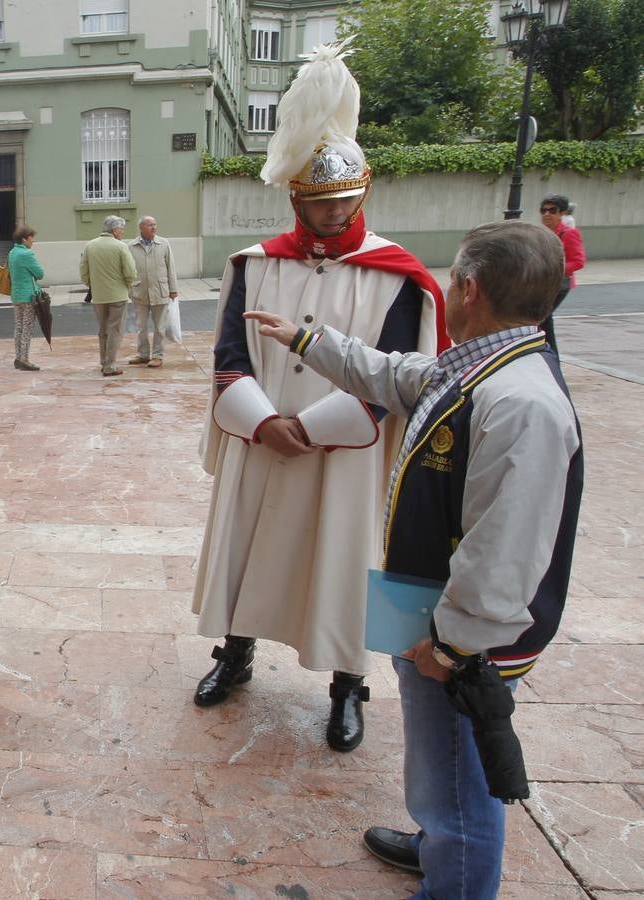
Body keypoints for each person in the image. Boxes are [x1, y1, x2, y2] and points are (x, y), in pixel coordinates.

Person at [246, 218, 583, 900]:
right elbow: (397, 376)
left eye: (452, 278)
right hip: (437, 619)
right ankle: (439, 843)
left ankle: (453, 876)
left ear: (470, 287)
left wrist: (455, 646)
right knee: (443, 767)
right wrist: (309, 341)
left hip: (464, 643)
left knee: (460, 775)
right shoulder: (487, 367)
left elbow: (505, 553)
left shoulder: (521, 404)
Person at [191, 44, 447, 752]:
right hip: (259, 437)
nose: (333, 215)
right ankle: (235, 656)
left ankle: (346, 686)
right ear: (294, 197)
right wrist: (265, 421)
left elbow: (398, 374)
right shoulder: (254, 264)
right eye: (318, 202)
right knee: (248, 549)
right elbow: (228, 359)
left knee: (338, 563)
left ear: (362, 193)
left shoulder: (397, 278)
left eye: (343, 201)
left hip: (344, 451)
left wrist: (312, 427)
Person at [80, 215, 138, 376]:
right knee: (115, 330)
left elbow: (83, 270)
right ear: (115, 229)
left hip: (98, 295)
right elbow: (130, 272)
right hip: (117, 295)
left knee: (103, 329)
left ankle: (104, 361)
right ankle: (110, 365)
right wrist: (126, 286)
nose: (123, 232)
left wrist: (92, 285)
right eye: (121, 228)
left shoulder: (90, 245)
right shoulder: (120, 246)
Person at [127, 215, 179, 368]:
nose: (154, 227)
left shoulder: (164, 243)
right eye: (150, 225)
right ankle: (143, 354)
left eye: (155, 224)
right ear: (141, 228)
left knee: (160, 327)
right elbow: (127, 270)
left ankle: (157, 356)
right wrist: (130, 289)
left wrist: (173, 289)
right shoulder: (131, 246)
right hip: (140, 291)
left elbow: (171, 267)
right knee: (141, 326)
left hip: (160, 290)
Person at [539, 194, 585, 353]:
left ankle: (551, 358)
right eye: (543, 210)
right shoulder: (542, 232)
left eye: (552, 210)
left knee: (541, 318)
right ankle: (547, 356)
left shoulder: (569, 233)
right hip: (542, 283)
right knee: (541, 319)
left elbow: (578, 261)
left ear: (561, 213)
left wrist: (554, 268)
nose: (547, 214)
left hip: (559, 284)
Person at [7, 223, 44, 371]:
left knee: (19, 328)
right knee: (27, 328)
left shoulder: (12, 253)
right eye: (31, 238)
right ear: (24, 239)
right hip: (29, 296)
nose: (33, 241)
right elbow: (40, 273)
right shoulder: (27, 254)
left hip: (16, 295)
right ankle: (25, 359)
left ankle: (18, 357)